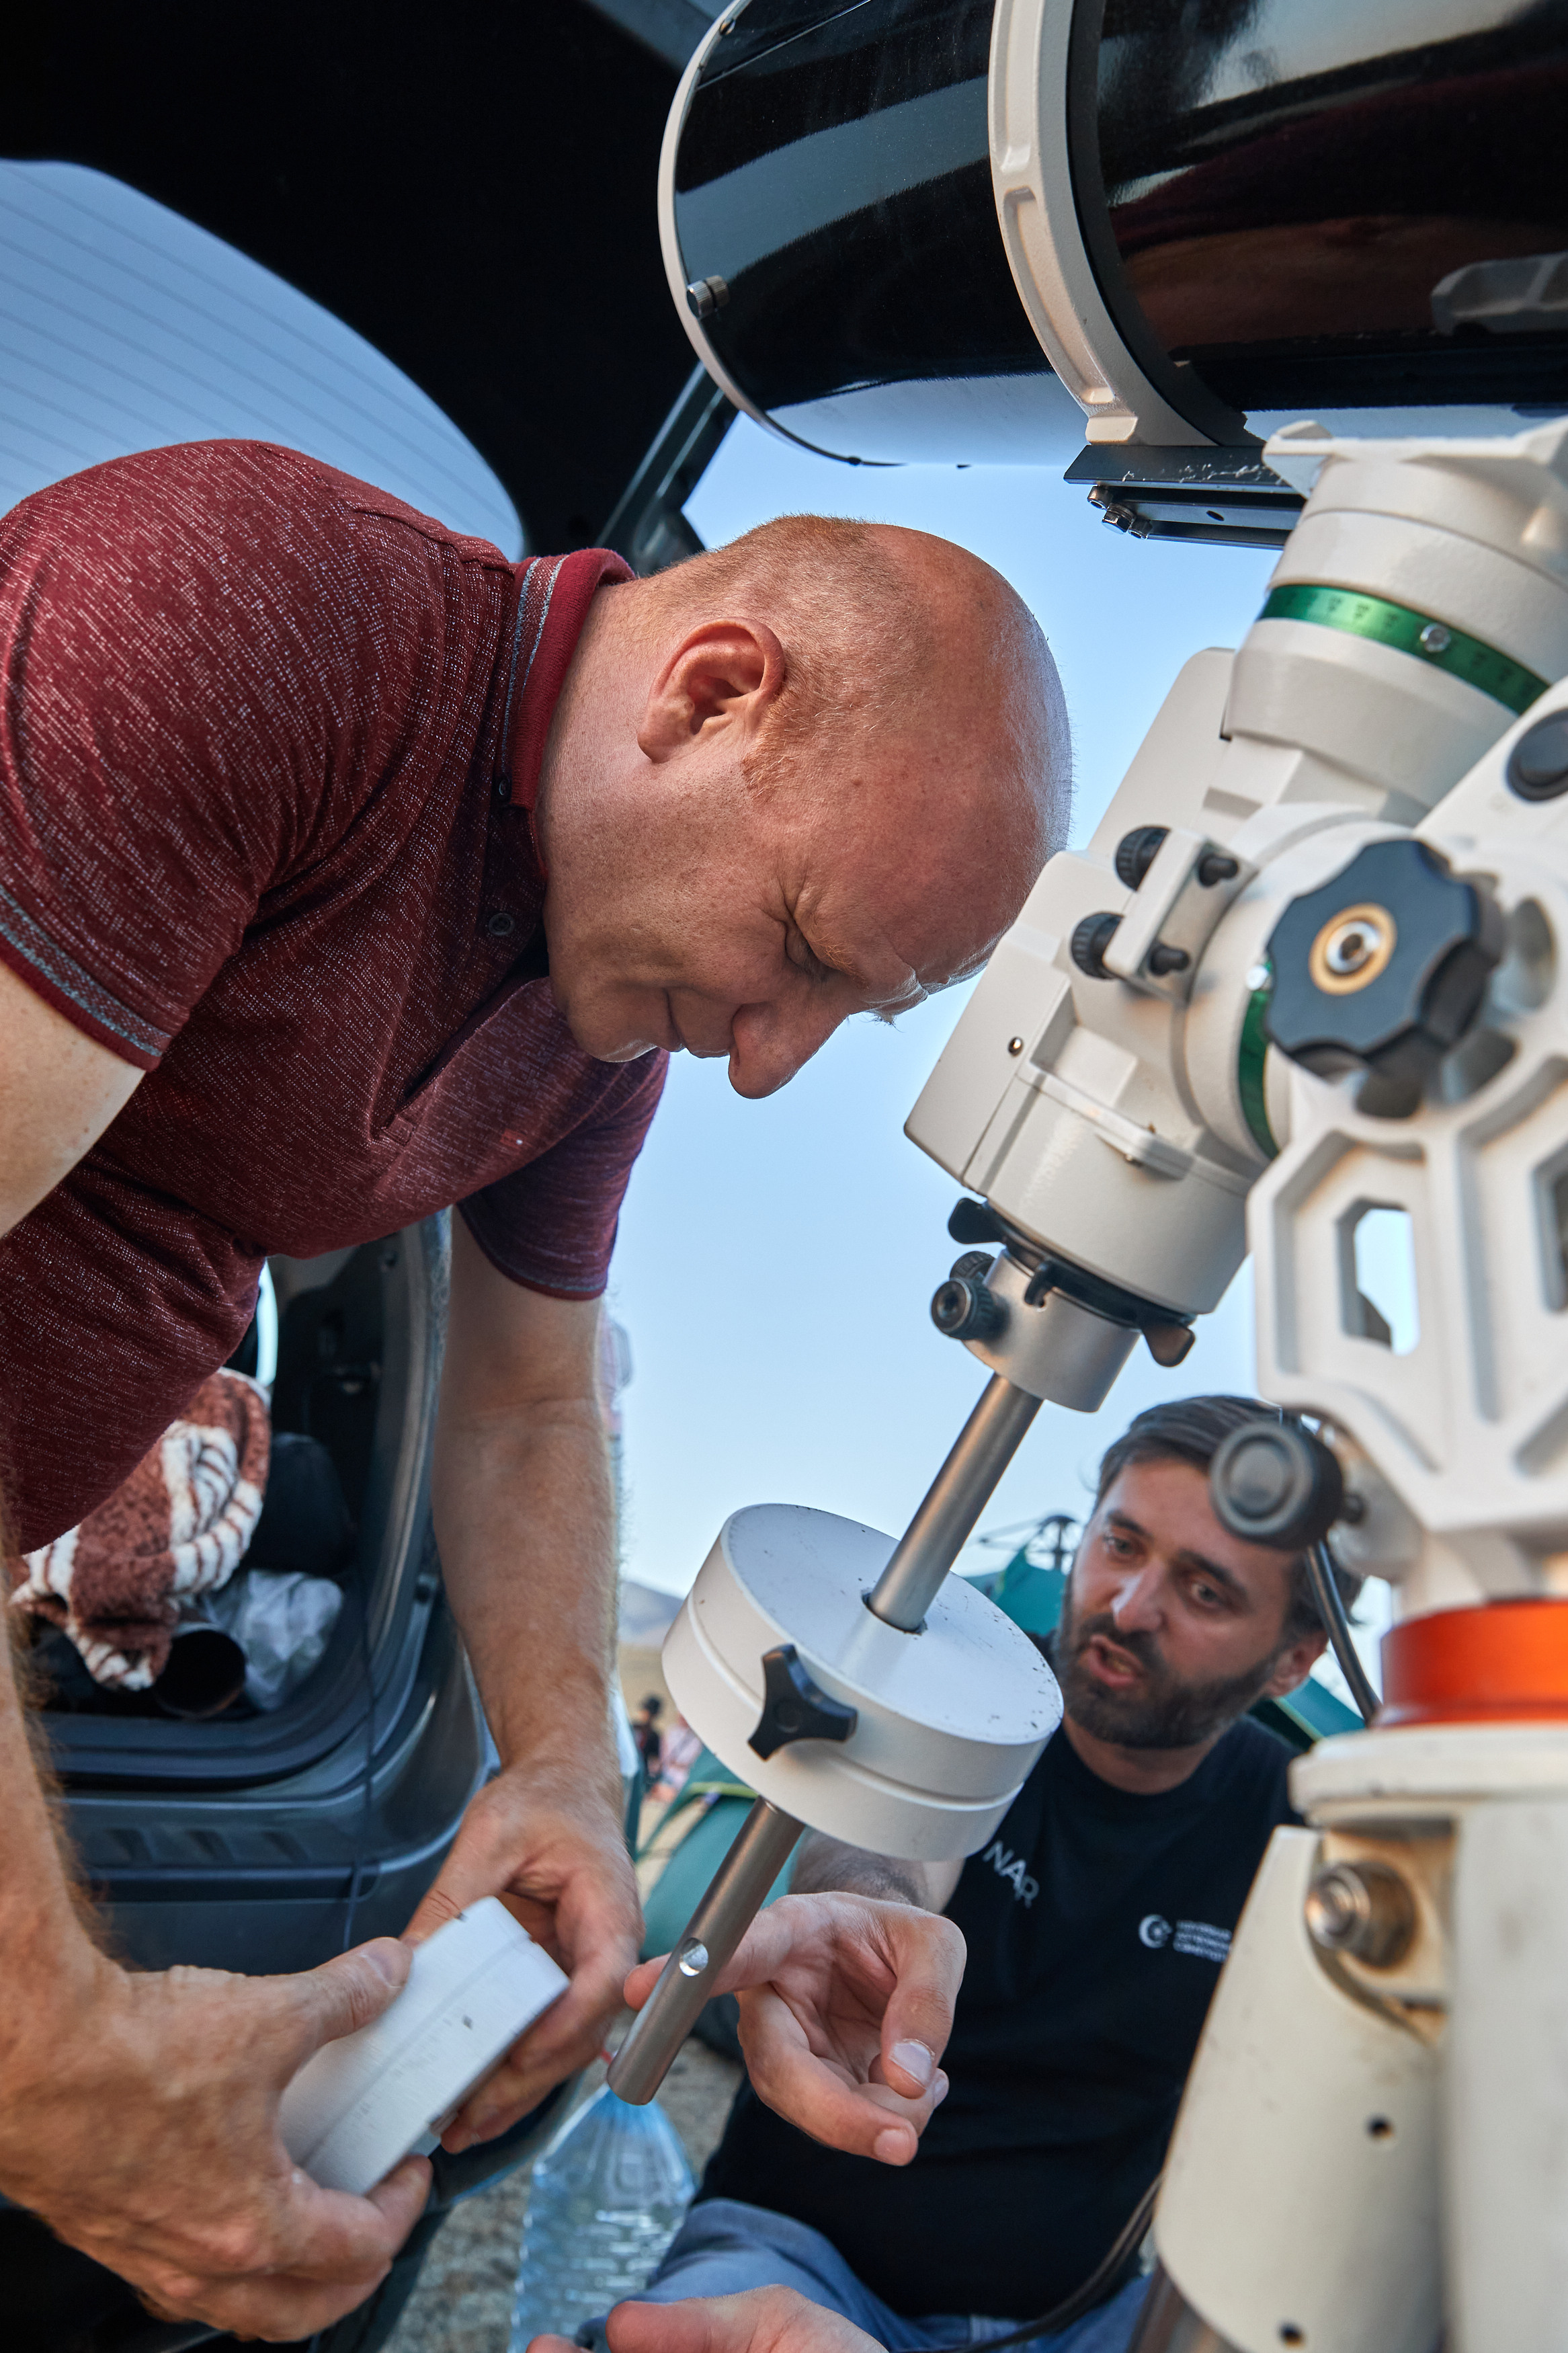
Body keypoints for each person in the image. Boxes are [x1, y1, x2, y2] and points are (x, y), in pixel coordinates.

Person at [0, 440, 1067, 2339]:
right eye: (802, 953)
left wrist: (564, 1765)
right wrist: (48, 2051)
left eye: (853, 1015)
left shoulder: (589, 1031)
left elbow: (526, 1405)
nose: (767, 1064)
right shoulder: (247, 627)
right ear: (709, 689)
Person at [617, 1396, 1361, 2353]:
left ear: (1294, 1660)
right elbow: (887, 1856)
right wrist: (866, 1909)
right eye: (1121, 1545)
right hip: (794, 2263)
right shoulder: (974, 1709)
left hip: (1088, 2321)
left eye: (1204, 1592)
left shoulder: (1302, 1826)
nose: (1129, 1608)